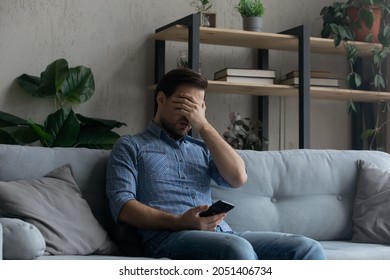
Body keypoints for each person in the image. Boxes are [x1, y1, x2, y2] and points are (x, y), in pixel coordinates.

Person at [106, 68, 326, 260]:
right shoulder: (130, 146)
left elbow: (238, 177)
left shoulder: (202, 148)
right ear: (161, 99)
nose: (189, 115)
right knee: (238, 250)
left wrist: (203, 125)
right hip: (167, 238)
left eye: (197, 107)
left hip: (223, 234)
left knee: (307, 249)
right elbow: (122, 205)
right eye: (183, 104)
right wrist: (179, 222)